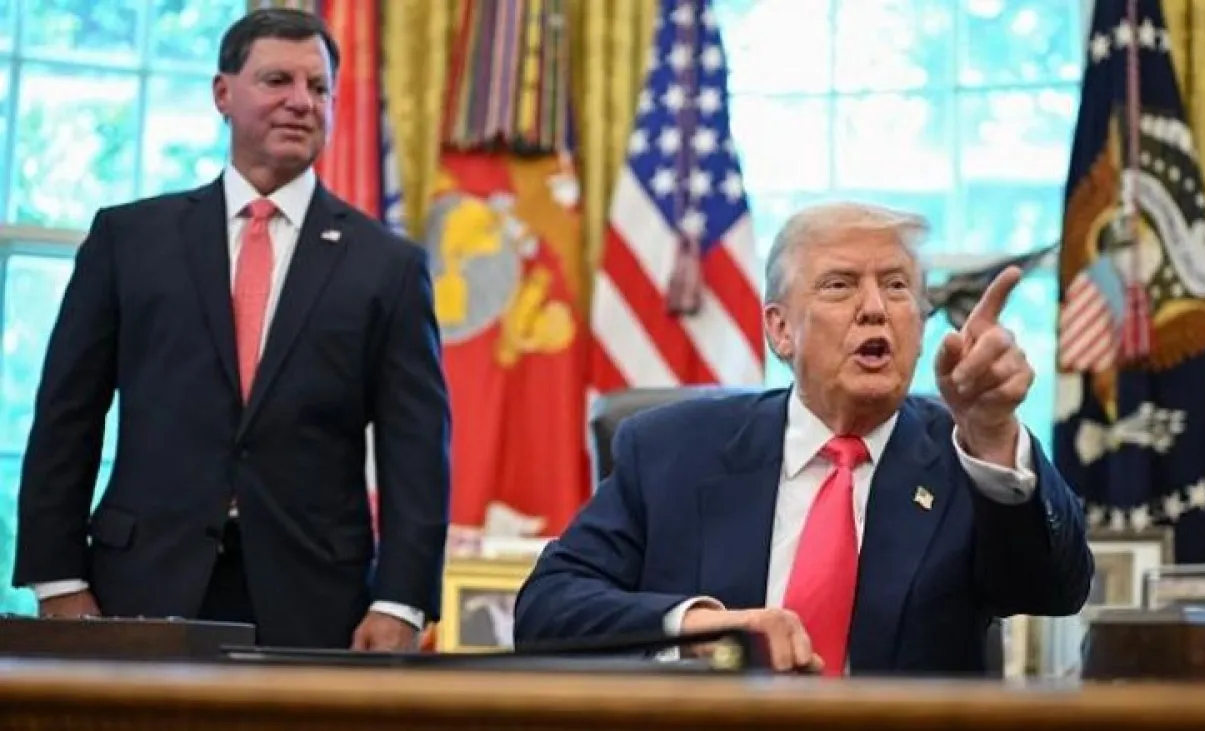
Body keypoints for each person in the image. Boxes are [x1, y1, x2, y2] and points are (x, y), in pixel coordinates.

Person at [12, 8, 451, 651]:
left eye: (318, 87)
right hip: (138, 587)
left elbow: (417, 449)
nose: (301, 101)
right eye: (277, 80)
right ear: (223, 93)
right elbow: (66, 419)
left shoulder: (388, 267)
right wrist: (57, 580)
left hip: (316, 601)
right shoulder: (129, 240)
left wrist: (401, 602)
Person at [513, 202, 1092, 676]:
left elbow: (1056, 590)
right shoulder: (672, 451)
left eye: (896, 287)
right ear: (780, 329)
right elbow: (546, 609)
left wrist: (992, 431)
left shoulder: (970, 456)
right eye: (840, 286)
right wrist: (702, 629)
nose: (875, 309)